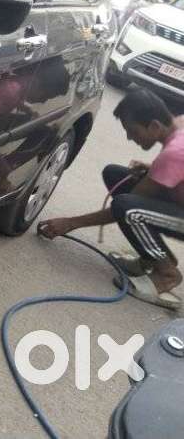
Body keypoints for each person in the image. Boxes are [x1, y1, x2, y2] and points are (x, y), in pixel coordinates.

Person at [39, 88, 184, 310]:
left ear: (154, 126)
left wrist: (70, 223)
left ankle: (166, 273)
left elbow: (126, 207)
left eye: (132, 131)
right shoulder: (178, 125)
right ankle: (151, 258)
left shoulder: (174, 153)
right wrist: (152, 168)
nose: (129, 137)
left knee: (128, 209)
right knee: (114, 174)